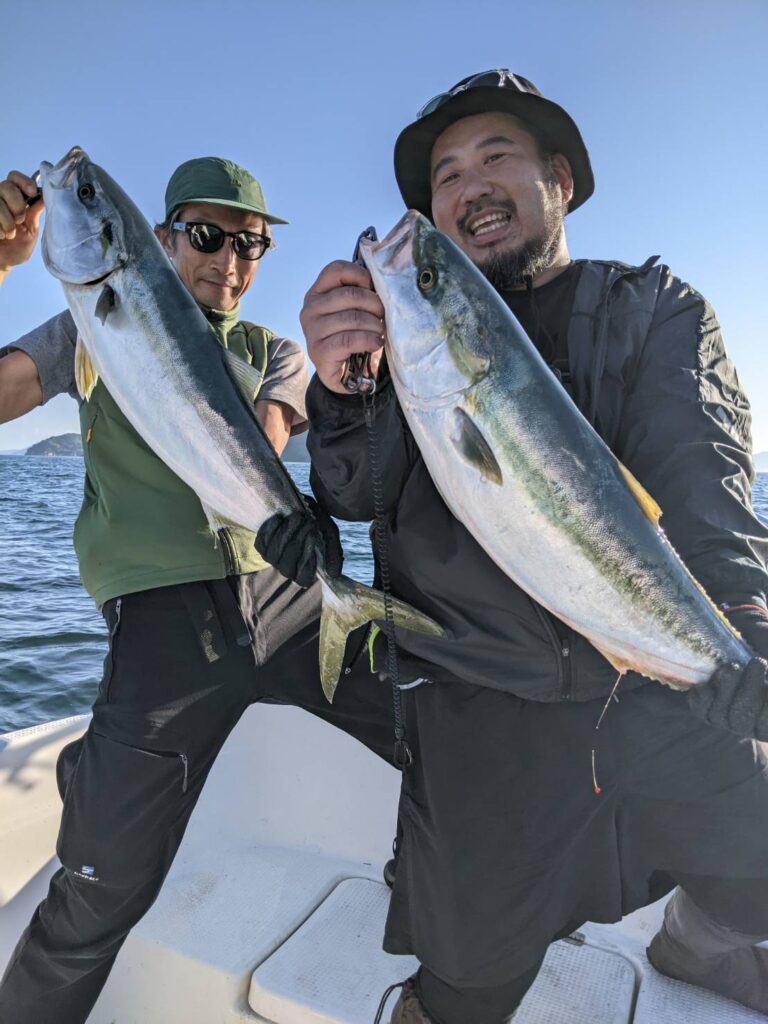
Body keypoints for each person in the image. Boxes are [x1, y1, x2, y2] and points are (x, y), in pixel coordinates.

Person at [300, 70, 768, 1023]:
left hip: (657, 692)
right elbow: (352, 495)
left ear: (559, 180)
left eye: (497, 155)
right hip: (479, 703)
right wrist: (343, 394)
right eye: (444, 175)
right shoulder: (402, 349)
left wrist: (744, 631)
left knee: (758, 858)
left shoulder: (651, 307)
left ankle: (703, 938)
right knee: (465, 984)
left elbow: (703, 475)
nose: (468, 184)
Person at [0, 155, 395, 1024]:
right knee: (99, 891)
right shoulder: (85, 328)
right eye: (209, 237)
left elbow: (265, 434)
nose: (230, 261)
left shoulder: (274, 351)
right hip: (164, 616)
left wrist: (293, 519)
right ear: (166, 237)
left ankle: (437, 899)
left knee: (440, 716)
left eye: (251, 244)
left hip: (290, 602)